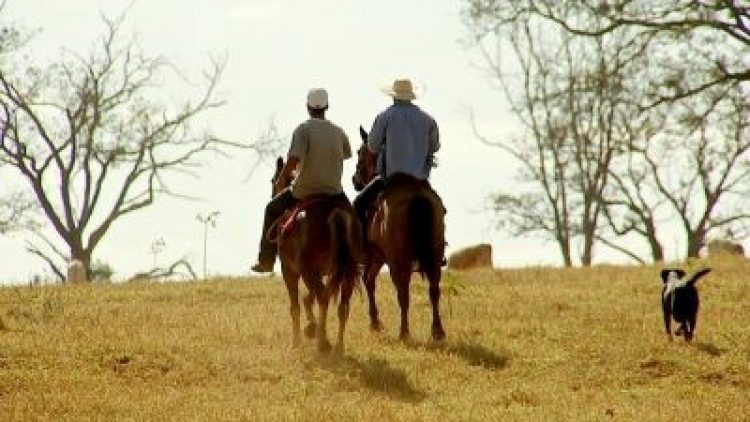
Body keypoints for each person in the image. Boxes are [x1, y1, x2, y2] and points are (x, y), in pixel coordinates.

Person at [251, 88, 352, 273]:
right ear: (327, 107)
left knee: (271, 209)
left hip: (304, 190)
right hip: (334, 192)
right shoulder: (339, 132)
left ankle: (266, 261)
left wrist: (281, 181)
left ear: (308, 107)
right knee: (354, 219)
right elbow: (346, 154)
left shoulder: (303, 129)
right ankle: (359, 257)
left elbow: (293, 160)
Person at [353, 78, 440, 236]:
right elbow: (434, 147)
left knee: (358, 204)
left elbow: (372, 147)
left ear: (393, 96)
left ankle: (362, 251)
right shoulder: (428, 120)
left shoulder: (385, 117)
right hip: (420, 182)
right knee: (439, 208)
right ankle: (439, 251)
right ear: (412, 96)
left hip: (392, 180)